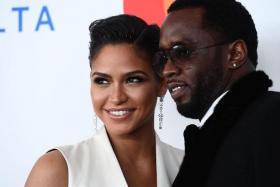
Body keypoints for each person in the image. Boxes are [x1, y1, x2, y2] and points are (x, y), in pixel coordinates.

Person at [24, 14, 184, 187]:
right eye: (102, 81)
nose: (116, 97)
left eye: (133, 79)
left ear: (161, 83)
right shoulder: (57, 170)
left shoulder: (187, 166)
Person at [156, 0, 280, 186]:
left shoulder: (273, 118)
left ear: (235, 54)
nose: (167, 70)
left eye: (181, 51)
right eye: (163, 58)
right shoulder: (209, 140)